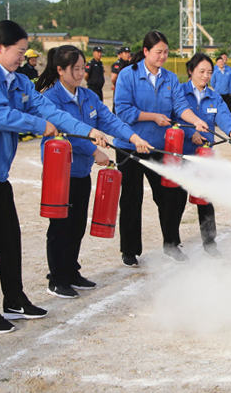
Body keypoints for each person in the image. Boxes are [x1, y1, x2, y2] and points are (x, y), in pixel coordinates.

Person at [0, 20, 108, 334]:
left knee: (9, 241)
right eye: (19, 51)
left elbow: (49, 110)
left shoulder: (19, 81)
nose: (23, 57)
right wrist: (38, 125)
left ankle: (15, 300)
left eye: (24, 52)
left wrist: (87, 131)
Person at [35, 46, 151, 299]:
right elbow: (66, 133)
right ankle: (56, 278)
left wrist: (133, 137)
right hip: (60, 174)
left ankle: (71, 270)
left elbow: (109, 120)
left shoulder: (88, 96)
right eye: (75, 69)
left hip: (80, 172)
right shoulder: (51, 99)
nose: (80, 74)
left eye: (82, 68)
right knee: (60, 226)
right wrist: (93, 150)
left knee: (77, 224)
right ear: (60, 70)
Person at [114, 31, 209, 267]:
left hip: (159, 148)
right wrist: (153, 116)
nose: (163, 56)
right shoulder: (128, 75)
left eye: (166, 52)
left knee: (170, 196)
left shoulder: (170, 78)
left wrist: (195, 121)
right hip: (131, 147)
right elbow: (123, 110)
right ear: (146, 51)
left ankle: (171, 243)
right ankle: (130, 250)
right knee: (131, 199)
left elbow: (180, 107)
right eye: (158, 52)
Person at [174, 53, 231, 257]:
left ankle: (210, 242)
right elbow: (175, 116)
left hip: (204, 155)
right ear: (190, 71)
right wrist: (191, 133)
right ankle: (173, 243)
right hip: (181, 154)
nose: (205, 76)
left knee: (205, 198)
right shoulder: (179, 92)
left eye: (209, 72)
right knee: (176, 199)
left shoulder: (214, 96)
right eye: (201, 71)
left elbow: (223, 115)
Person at [17, 49, 41, 141]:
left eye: (35, 60)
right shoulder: (23, 70)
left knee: (32, 113)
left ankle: (32, 132)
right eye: (32, 60)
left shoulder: (34, 71)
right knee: (23, 112)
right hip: (24, 94)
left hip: (32, 94)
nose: (34, 62)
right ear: (27, 60)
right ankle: (21, 134)